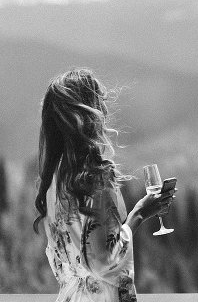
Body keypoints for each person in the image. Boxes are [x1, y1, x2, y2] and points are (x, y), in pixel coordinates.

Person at [33, 69, 176, 302]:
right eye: (101, 103)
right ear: (89, 114)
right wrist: (139, 213)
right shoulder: (96, 177)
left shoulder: (53, 181)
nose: (106, 111)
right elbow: (103, 261)